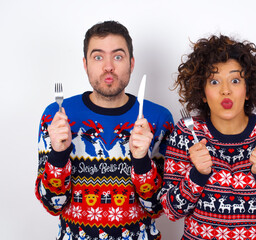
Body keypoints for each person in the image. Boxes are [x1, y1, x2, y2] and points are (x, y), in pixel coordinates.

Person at [35, 20, 174, 239]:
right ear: (85, 64)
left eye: (117, 56)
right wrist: (58, 155)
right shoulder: (57, 116)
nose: (108, 66)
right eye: (98, 57)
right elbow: (52, 205)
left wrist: (141, 161)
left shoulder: (158, 119)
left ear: (131, 63)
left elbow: (159, 208)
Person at [160, 35, 256, 239]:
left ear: (247, 90)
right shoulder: (186, 132)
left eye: (235, 80)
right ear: (202, 92)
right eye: (214, 81)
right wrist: (197, 175)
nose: (225, 90)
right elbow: (171, 212)